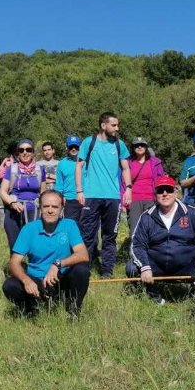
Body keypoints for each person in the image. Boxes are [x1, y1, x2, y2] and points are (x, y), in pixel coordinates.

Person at [2, 190, 91, 318]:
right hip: (36, 281)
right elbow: (14, 263)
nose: (50, 210)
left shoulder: (70, 225)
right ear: (40, 207)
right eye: (46, 206)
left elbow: (83, 254)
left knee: (82, 269)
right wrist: (26, 280)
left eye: (55, 207)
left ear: (62, 208)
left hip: (61, 279)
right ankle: (32, 311)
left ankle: (72, 312)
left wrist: (58, 264)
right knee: (10, 285)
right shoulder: (29, 229)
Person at [126, 176, 195, 304]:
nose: (165, 194)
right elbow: (137, 245)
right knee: (132, 268)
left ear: (176, 192)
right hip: (156, 266)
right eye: (161, 191)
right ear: (155, 194)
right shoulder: (146, 217)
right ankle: (152, 296)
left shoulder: (191, 213)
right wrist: (145, 266)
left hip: (187, 265)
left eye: (169, 190)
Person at [75, 112, 132, 277]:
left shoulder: (119, 145)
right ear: (103, 125)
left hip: (113, 198)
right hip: (91, 196)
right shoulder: (89, 142)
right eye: (114, 125)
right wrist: (80, 190)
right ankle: (83, 270)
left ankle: (107, 271)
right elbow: (78, 167)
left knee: (110, 236)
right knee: (87, 235)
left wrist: (128, 188)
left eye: (117, 125)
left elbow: (126, 168)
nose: (117, 128)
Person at [0, 138, 46, 253]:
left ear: (33, 152)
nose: (25, 153)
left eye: (28, 149)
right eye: (21, 150)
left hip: (34, 212)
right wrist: (12, 202)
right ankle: (15, 270)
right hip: (14, 212)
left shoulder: (40, 170)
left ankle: (33, 270)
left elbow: (43, 194)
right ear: (18, 153)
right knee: (15, 247)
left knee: (34, 246)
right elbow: (2, 191)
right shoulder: (11, 169)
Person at [124, 137, 166, 231]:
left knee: (152, 228)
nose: (139, 147)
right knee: (135, 228)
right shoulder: (128, 163)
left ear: (146, 147)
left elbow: (161, 180)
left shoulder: (155, 162)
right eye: (136, 145)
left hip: (151, 199)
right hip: (133, 200)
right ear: (133, 148)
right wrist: (123, 201)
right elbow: (123, 182)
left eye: (142, 145)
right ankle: (135, 246)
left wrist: (162, 196)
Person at [55, 134, 83, 223]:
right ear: (67, 147)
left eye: (76, 147)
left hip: (85, 199)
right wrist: (59, 200)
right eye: (71, 147)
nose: (74, 149)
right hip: (69, 201)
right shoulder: (62, 164)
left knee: (87, 229)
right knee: (70, 228)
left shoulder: (86, 161)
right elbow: (59, 185)